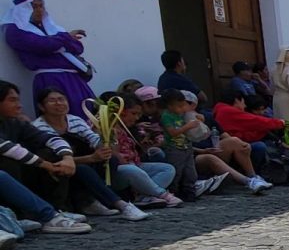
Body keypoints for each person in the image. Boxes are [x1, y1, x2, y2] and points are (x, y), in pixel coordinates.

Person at [31, 88, 149, 220]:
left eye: (61, 99)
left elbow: (93, 139)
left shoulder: (75, 120)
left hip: (84, 161)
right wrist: (91, 158)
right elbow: (53, 158)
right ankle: (121, 205)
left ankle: (93, 201)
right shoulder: (39, 127)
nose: (59, 103)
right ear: (41, 106)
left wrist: (105, 140)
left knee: (110, 160)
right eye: (52, 100)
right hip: (56, 168)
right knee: (82, 169)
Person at [0, 80, 93, 233]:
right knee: (8, 161)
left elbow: (49, 138)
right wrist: (46, 165)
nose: (19, 105)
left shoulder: (15, 123)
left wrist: (67, 157)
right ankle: (47, 216)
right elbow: (7, 148)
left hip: (20, 175)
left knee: (53, 154)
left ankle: (56, 209)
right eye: (12, 100)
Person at [2, 0, 96, 113]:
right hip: (51, 79)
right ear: (23, 9)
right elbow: (43, 45)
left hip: (75, 79)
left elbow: (77, 47)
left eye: (41, 6)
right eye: (34, 7)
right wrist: (66, 38)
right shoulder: (14, 30)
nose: (39, 10)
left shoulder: (52, 28)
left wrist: (60, 41)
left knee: (91, 114)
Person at [111, 94, 183, 207]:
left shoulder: (127, 128)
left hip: (135, 165)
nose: (136, 118)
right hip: (120, 170)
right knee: (131, 170)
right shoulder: (109, 128)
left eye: (138, 114)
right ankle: (162, 194)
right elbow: (113, 153)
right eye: (133, 113)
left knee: (168, 169)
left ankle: (145, 196)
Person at [214, 90, 284, 169]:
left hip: (234, 144)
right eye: (243, 102)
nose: (244, 106)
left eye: (263, 109)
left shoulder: (220, 110)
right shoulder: (227, 111)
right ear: (237, 100)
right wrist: (279, 123)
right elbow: (256, 121)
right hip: (233, 148)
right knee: (260, 146)